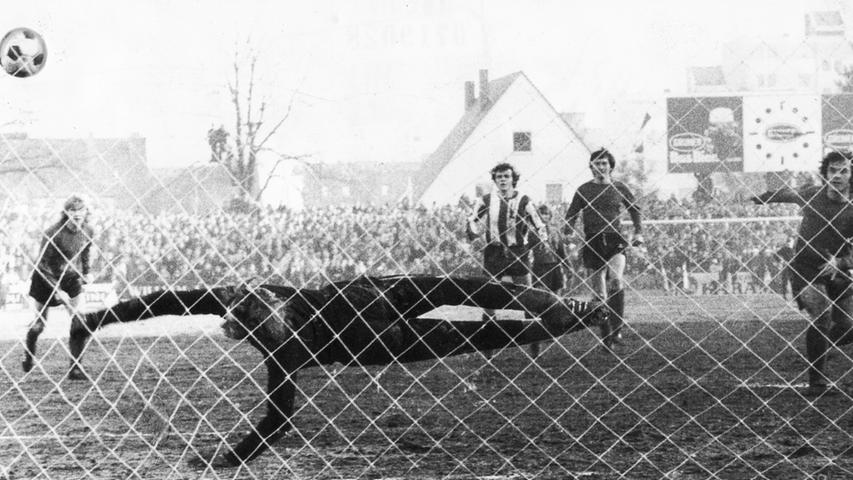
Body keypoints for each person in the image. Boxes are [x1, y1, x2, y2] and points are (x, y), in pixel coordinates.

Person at [749, 150, 853, 396]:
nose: (837, 176)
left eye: (844, 171)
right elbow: (786, 193)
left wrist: (840, 263)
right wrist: (761, 197)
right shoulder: (812, 194)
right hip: (805, 268)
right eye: (832, 170)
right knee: (822, 314)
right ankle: (817, 382)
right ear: (825, 174)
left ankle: (818, 348)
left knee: (848, 325)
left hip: (836, 269)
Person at [564, 148, 643, 351]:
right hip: (593, 241)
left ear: (610, 166)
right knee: (599, 293)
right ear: (591, 166)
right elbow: (572, 213)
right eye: (596, 163)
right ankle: (607, 336)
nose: (600, 167)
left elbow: (634, 209)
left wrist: (638, 233)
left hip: (615, 239)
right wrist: (567, 233)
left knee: (616, 280)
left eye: (604, 163)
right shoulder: (583, 190)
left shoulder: (619, 187)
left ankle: (617, 330)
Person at [466, 162, 548, 358]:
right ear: (494, 180)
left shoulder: (524, 200)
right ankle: (488, 351)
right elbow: (472, 221)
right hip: (494, 253)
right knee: (488, 300)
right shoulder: (486, 200)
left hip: (518, 252)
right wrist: (472, 233)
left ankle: (534, 349)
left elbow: (539, 224)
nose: (503, 180)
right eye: (499, 177)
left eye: (506, 176)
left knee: (529, 299)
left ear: (513, 179)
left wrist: (542, 241)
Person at [23, 194, 95, 380]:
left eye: (80, 210)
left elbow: (86, 251)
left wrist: (86, 272)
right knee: (39, 325)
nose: (77, 214)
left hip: (71, 278)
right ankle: (28, 356)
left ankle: (76, 368)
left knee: (79, 320)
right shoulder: (52, 233)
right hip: (45, 280)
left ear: (86, 212)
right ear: (66, 213)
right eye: (73, 210)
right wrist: (56, 290)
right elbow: (43, 264)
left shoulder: (88, 230)